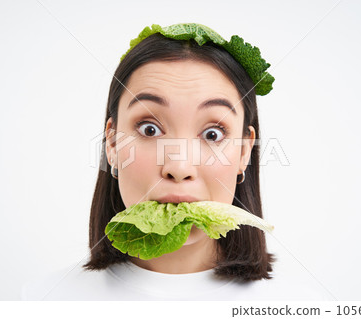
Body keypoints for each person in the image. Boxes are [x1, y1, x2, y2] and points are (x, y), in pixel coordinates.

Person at [21, 23, 329, 301]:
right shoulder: (43, 300)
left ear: (245, 152)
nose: (179, 168)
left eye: (212, 133)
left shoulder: (300, 306)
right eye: (149, 129)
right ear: (112, 143)